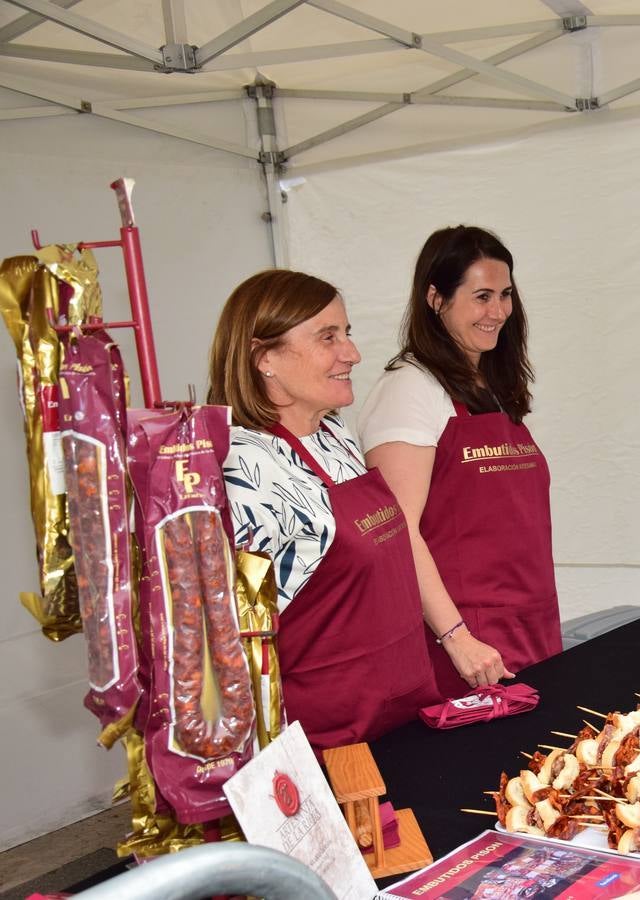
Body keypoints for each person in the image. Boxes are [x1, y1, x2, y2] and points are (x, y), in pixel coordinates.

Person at [207, 269, 437, 750]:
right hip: (328, 742)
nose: (351, 352)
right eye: (327, 337)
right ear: (264, 357)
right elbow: (232, 641)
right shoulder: (242, 464)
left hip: (403, 714)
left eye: (347, 333)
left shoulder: (334, 435)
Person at [359, 226, 562, 698]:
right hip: (467, 649)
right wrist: (457, 638)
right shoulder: (409, 390)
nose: (499, 312)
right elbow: (396, 530)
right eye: (482, 296)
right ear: (435, 298)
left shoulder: (490, 389)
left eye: (506, 295)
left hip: (531, 627)